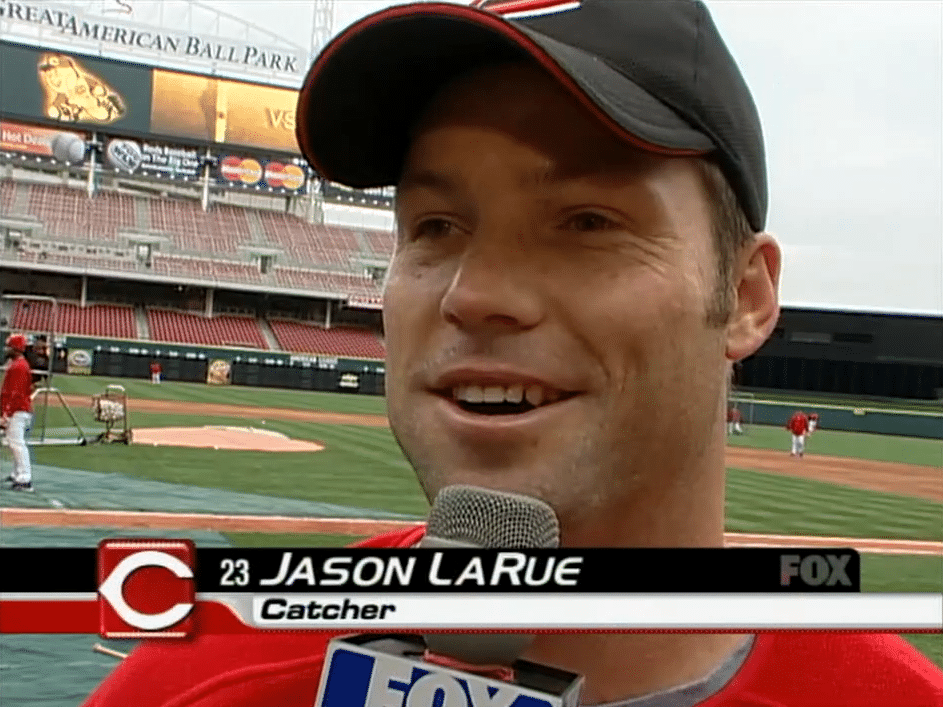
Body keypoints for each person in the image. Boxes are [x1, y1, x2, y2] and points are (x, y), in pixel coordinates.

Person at [81, 1, 943, 705]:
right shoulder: (196, 680)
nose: (472, 293)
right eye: (435, 227)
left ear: (747, 296)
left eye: (586, 223)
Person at [2, 333, 35, 492]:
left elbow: (14, 393)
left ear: (15, 349)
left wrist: (6, 414)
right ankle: (17, 474)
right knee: (14, 443)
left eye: (9, 346)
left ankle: (24, 479)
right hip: (19, 409)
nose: (6, 349)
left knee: (17, 444)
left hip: (18, 410)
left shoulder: (18, 366)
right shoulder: (18, 364)